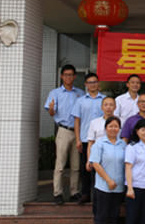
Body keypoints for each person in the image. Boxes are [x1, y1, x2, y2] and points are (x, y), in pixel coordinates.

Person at [44, 64, 84, 206]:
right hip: (63, 130)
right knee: (60, 164)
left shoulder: (80, 93)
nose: (68, 77)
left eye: (71, 75)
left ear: (74, 76)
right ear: (61, 76)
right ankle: (58, 193)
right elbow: (51, 112)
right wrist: (51, 109)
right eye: (66, 75)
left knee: (75, 165)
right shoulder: (55, 93)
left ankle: (74, 192)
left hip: (78, 132)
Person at [89, 116, 126, 224]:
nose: (113, 129)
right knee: (101, 216)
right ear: (105, 128)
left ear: (119, 129)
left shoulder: (123, 144)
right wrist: (108, 180)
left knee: (113, 216)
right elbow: (95, 163)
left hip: (118, 187)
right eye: (110, 126)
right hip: (103, 187)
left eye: (116, 126)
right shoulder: (99, 143)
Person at [71, 73, 105, 206]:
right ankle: (86, 193)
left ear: (98, 83)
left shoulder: (105, 100)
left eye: (95, 82)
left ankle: (99, 193)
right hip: (86, 139)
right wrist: (78, 139)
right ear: (86, 84)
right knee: (85, 167)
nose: (93, 85)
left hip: (102, 140)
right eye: (90, 82)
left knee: (101, 167)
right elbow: (77, 121)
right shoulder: (80, 101)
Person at [85, 96, 117, 207]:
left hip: (114, 160)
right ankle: (97, 213)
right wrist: (89, 160)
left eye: (111, 105)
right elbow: (90, 143)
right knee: (97, 188)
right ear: (102, 107)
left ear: (115, 107)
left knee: (114, 187)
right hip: (97, 160)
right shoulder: (94, 122)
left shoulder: (120, 121)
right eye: (106, 105)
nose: (108, 107)